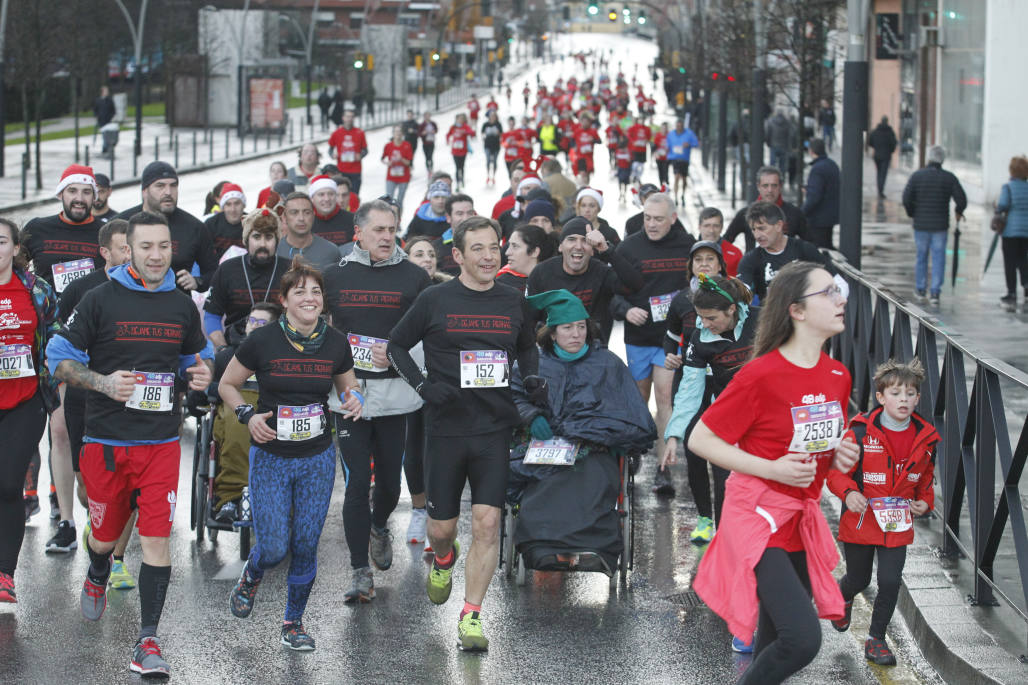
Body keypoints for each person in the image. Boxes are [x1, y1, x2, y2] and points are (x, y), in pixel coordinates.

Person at [47, 211, 214, 676]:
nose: (157, 255)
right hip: (105, 440)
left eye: (164, 247)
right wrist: (102, 383)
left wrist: (199, 373)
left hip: (160, 442)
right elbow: (57, 358)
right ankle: (98, 567)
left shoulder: (182, 306)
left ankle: (147, 641)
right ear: (128, 249)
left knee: (156, 541)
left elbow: (191, 360)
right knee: (103, 539)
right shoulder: (100, 299)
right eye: (146, 247)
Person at [689, 261, 859, 680]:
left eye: (838, 291)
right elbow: (702, 441)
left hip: (799, 518)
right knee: (802, 640)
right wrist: (772, 469)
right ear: (796, 310)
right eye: (828, 293)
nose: (841, 300)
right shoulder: (758, 375)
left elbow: (810, 439)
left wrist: (838, 453)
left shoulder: (838, 375)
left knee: (772, 642)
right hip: (757, 516)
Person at [387, 216, 541, 652]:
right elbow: (396, 346)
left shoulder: (513, 301)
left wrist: (531, 379)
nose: (489, 256)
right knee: (441, 527)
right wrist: (422, 386)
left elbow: (528, 345)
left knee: (488, 522)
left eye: (494, 247)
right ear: (457, 256)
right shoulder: (435, 299)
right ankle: (443, 556)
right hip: (445, 429)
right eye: (478, 249)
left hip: (494, 427)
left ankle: (471, 616)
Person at [221, 259, 363, 652]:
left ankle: (293, 623)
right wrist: (247, 415)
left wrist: (355, 400)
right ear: (284, 300)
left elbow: (349, 387)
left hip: (317, 457)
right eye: (300, 291)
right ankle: (252, 575)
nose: (309, 297)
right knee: (273, 548)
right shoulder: (262, 340)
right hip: (271, 455)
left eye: (315, 291)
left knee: (305, 543)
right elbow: (228, 384)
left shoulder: (336, 342)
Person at [322, 200, 431, 603]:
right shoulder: (334, 276)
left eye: (392, 229)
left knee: (388, 481)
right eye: (379, 230)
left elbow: (427, 332)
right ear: (358, 233)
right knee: (354, 483)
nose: (387, 237)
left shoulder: (415, 277)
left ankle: (379, 524)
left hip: (396, 394)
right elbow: (320, 328)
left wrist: (403, 356)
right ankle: (358, 571)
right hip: (349, 394)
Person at [508, 290, 656, 572]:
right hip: (543, 446)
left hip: (595, 450)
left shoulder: (608, 363)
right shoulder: (532, 363)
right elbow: (511, 398)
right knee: (543, 480)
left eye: (581, 327)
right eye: (567, 328)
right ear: (552, 333)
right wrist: (531, 416)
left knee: (590, 476)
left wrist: (594, 433)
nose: (576, 334)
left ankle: (595, 548)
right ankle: (542, 546)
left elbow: (629, 413)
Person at [827, 358, 939, 667]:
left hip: (897, 523)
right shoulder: (860, 431)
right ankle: (844, 595)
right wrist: (849, 494)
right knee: (859, 579)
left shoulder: (927, 438)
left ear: (918, 398)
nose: (904, 400)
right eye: (896, 393)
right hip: (862, 519)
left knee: (890, 581)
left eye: (911, 393)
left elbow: (926, 480)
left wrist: (925, 503)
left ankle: (876, 640)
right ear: (880, 397)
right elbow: (836, 474)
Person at [661, 273, 758, 538]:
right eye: (700, 317)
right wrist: (673, 435)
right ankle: (724, 538)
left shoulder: (762, 320)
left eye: (711, 318)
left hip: (765, 417)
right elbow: (689, 391)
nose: (705, 324)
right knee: (725, 480)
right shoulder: (700, 339)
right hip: (727, 415)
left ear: (732, 309)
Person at [612, 193, 695, 490]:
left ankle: (663, 469)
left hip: (670, 339)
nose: (652, 224)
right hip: (639, 337)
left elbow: (699, 285)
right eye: (647, 217)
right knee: (639, 401)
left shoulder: (687, 246)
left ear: (672, 218)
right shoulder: (630, 247)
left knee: (664, 401)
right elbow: (612, 291)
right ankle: (633, 452)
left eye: (658, 219)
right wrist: (626, 310)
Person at [0, 218, 61, 603]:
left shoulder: (36, 290)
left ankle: (5, 572)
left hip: (25, 400)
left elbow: (54, 337)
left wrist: (56, 390)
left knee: (8, 485)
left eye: (0, 241)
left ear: (15, 247)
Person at [209, 302, 280, 523]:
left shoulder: (282, 355)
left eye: (262, 323)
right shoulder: (226, 356)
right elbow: (209, 390)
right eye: (253, 321)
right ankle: (230, 496)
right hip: (236, 410)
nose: (255, 326)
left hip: (270, 407)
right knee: (235, 427)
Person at [118, 161, 218, 292]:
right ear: (144, 191)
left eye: (173, 186)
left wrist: (198, 282)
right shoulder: (121, 223)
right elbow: (103, 268)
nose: (168, 192)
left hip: (176, 305)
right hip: (128, 302)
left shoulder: (194, 227)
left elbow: (214, 273)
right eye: (160, 186)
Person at [205, 210, 290, 349]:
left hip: (282, 347)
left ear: (276, 241)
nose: (262, 244)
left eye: (268, 237)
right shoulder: (227, 270)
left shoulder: (290, 270)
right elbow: (211, 315)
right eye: (256, 237)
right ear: (246, 239)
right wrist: (222, 347)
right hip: (236, 346)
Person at [901, 145, 967, 306]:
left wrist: (912, 213)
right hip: (940, 225)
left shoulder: (917, 176)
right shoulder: (949, 178)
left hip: (921, 224)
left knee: (921, 256)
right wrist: (959, 210)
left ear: (929, 158)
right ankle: (935, 292)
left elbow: (906, 198)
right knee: (938, 258)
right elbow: (962, 199)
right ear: (942, 160)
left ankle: (921, 288)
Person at [737, 202, 837, 302]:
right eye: (753, 230)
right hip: (769, 314)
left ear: (779, 226)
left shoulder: (804, 249)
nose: (757, 235)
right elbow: (742, 291)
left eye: (762, 228)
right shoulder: (750, 259)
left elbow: (839, 283)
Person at [724, 166, 810, 251]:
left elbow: (810, 244)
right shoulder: (744, 213)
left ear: (780, 186)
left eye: (774, 186)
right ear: (758, 186)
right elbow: (725, 243)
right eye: (765, 186)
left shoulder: (794, 213)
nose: (770, 190)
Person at [275, 192, 343, 271]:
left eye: (307, 212)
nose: (301, 218)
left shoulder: (331, 251)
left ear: (313, 215)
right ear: (284, 217)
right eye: (294, 213)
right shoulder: (275, 250)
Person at [996, 155, 1028, 305]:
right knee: (1024, 261)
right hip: (1026, 232)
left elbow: (1002, 205)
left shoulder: (1007, 187)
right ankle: (1026, 288)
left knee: (1010, 262)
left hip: (1010, 232)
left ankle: (1012, 292)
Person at [802, 139, 841, 249]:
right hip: (831, 215)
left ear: (811, 151)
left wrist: (802, 212)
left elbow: (814, 196)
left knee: (818, 249)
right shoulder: (832, 165)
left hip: (818, 218)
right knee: (827, 246)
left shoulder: (817, 169)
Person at [498, 224, 554, 292]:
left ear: (534, 252)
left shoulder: (554, 285)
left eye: (515, 246)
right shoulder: (501, 284)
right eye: (509, 246)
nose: (507, 252)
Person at [328, 109, 369, 194]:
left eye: (351, 117)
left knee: (354, 196)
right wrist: (332, 155)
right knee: (341, 196)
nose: (349, 119)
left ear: (354, 118)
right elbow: (330, 149)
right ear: (343, 118)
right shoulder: (336, 133)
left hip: (355, 170)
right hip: (341, 170)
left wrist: (361, 155)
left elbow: (365, 150)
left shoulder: (360, 133)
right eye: (347, 116)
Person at [308, 175, 355, 247]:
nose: (327, 199)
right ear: (312, 198)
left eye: (331, 194)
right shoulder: (306, 222)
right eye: (321, 194)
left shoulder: (353, 219)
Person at [696, 207, 742, 277]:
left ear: (721, 228)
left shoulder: (735, 253)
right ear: (699, 227)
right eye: (707, 226)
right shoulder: (688, 251)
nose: (711, 230)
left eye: (716, 226)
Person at [205, 183, 247, 259]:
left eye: (237, 203)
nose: (233, 209)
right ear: (222, 207)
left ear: (244, 205)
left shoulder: (252, 223)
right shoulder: (211, 225)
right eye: (228, 204)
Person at [667, 118, 700, 204]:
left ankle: (683, 195)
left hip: (684, 159)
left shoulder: (689, 133)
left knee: (684, 179)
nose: (679, 128)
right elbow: (667, 145)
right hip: (675, 159)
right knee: (676, 177)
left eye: (680, 126)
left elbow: (696, 143)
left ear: (683, 126)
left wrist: (689, 144)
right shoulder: (671, 134)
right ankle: (676, 197)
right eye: (677, 126)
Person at [382, 126, 414, 214]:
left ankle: (398, 221)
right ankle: (388, 219)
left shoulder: (407, 145)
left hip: (404, 177)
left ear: (402, 134)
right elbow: (382, 158)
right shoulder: (388, 146)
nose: (398, 134)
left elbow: (408, 163)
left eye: (400, 132)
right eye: (396, 132)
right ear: (393, 134)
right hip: (391, 177)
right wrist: (387, 163)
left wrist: (401, 159)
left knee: (399, 200)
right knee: (388, 199)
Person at [868, 116, 898, 198]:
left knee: (879, 172)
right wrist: (891, 150)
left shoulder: (875, 131)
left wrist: (876, 147)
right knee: (883, 173)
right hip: (886, 155)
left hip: (877, 155)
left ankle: (879, 190)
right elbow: (894, 143)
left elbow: (870, 142)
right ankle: (880, 190)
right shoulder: (890, 132)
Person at [446, 114, 476, 192]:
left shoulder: (465, 126)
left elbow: (472, 133)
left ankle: (462, 179)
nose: (460, 120)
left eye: (461, 119)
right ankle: (457, 183)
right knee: (457, 167)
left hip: (463, 151)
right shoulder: (453, 127)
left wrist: (466, 132)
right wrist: (447, 140)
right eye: (458, 119)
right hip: (455, 151)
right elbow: (448, 134)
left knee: (461, 167)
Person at [765, 109, 793, 175]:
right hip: (783, 146)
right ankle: (781, 178)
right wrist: (789, 146)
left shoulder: (771, 121)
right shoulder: (787, 122)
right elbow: (789, 135)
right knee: (782, 165)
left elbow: (768, 134)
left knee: (772, 163)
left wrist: (768, 143)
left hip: (773, 145)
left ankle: (772, 176)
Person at [481, 110, 503, 185]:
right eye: (491, 116)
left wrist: (497, 133)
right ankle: (488, 175)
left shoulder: (498, 124)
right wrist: (484, 137)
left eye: (494, 116)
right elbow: (482, 133)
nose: (492, 118)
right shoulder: (485, 124)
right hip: (487, 144)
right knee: (488, 161)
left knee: (494, 162)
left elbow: (501, 134)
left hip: (496, 145)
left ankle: (493, 176)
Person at [94, 86, 116, 151]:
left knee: (107, 134)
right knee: (104, 134)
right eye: (105, 91)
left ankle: (105, 147)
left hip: (108, 120)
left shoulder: (109, 100)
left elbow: (113, 110)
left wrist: (110, 117)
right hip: (101, 121)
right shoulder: (98, 100)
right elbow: (95, 110)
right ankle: (105, 147)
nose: (107, 92)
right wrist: (97, 116)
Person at [653, 122, 670, 187]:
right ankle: (661, 185)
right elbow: (655, 146)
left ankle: (666, 184)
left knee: (665, 171)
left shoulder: (669, 135)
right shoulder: (658, 135)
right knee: (660, 171)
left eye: (665, 128)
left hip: (666, 157)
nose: (664, 129)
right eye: (663, 128)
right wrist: (655, 153)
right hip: (659, 157)